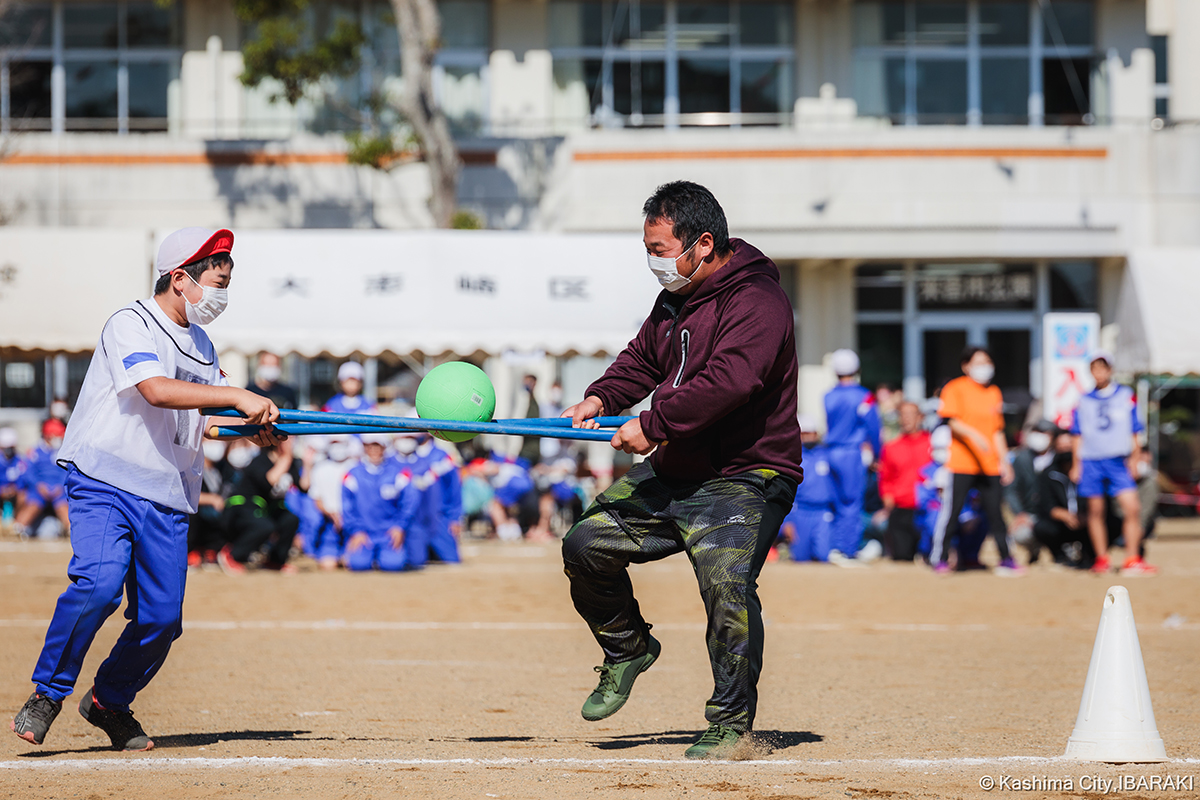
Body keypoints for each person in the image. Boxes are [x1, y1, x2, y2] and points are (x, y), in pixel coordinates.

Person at [10, 227, 280, 751]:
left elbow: (203, 422)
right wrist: (240, 394)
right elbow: (155, 391)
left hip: (167, 493)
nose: (221, 294)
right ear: (180, 279)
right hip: (105, 481)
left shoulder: (203, 345)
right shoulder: (130, 323)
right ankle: (48, 692)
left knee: (161, 619)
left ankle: (109, 701)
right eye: (216, 282)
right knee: (98, 585)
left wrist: (256, 430)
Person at [560, 181, 802, 759]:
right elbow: (643, 358)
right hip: (677, 471)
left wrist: (654, 423)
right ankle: (626, 648)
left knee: (726, 584)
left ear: (703, 243)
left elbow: (732, 380)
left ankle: (730, 723)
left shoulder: (758, 301)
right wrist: (599, 397)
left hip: (747, 474)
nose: (653, 261)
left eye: (661, 249)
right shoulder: (675, 298)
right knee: (585, 543)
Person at [930, 347, 1021, 575]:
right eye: (979, 362)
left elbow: (998, 431)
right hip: (962, 462)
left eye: (987, 361)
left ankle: (1006, 558)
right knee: (953, 511)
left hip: (989, 464)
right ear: (966, 366)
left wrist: (1005, 461)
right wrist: (974, 435)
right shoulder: (955, 388)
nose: (984, 367)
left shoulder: (993, 392)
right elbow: (950, 420)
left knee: (995, 514)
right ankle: (940, 558)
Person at [1070, 351, 1157, 576]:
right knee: (1095, 511)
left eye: (1103, 367)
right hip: (1091, 460)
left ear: (1110, 370)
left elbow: (1135, 430)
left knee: (1132, 508)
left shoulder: (1125, 395)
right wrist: (1076, 464)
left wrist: (1135, 458)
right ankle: (1102, 559)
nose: (1099, 373)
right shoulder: (1083, 400)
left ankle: (1132, 557)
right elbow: (1077, 434)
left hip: (1118, 460)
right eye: (1094, 368)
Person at [217, 435, 309, 574]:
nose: (292, 442)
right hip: (241, 505)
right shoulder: (261, 460)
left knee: (291, 519)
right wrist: (287, 456)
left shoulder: (289, 462)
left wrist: (308, 463)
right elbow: (269, 480)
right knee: (265, 526)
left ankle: (276, 560)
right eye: (289, 438)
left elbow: (304, 487)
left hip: (265, 508)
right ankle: (232, 555)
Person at [823, 349, 881, 559]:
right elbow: (873, 428)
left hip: (831, 451)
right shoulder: (864, 396)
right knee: (852, 502)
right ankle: (846, 549)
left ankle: (835, 546)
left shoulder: (828, 396)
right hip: (851, 453)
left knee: (838, 501)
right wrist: (877, 454)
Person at [342, 434, 416, 572]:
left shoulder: (398, 473)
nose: (374, 450)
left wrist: (399, 527)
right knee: (358, 565)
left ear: (384, 447)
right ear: (364, 447)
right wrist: (356, 531)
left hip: (388, 533)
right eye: (370, 446)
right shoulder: (353, 474)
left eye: (378, 446)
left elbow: (409, 502)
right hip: (364, 533)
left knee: (393, 565)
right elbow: (347, 506)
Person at [877, 402, 932, 562]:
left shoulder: (933, 444)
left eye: (911, 414)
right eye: (903, 414)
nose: (906, 419)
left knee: (929, 557)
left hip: (927, 508)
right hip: (901, 508)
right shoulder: (891, 447)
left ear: (920, 417)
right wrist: (887, 496)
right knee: (902, 557)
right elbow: (885, 477)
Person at [779, 415, 834, 562]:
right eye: (803, 434)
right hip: (800, 511)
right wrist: (788, 521)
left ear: (816, 434)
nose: (807, 437)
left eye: (810, 433)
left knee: (824, 555)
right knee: (800, 557)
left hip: (823, 511)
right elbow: (786, 492)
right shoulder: (793, 458)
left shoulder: (827, 455)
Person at [1034, 429, 1088, 567]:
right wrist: (1065, 515)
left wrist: (1086, 516)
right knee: (1041, 527)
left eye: (1069, 445)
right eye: (1061, 445)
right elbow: (1045, 505)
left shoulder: (1089, 471)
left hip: (1087, 521)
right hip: (1060, 524)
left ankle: (1090, 556)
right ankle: (1059, 554)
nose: (1065, 449)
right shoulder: (1049, 474)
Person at [1005, 420, 1057, 565]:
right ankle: (1034, 550)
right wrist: (1019, 513)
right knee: (1020, 534)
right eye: (1037, 432)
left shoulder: (1059, 458)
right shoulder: (1021, 458)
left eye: (1044, 433)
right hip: (1030, 514)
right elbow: (1011, 490)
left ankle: (1064, 552)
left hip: (1056, 514)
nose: (1039, 436)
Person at [13, 418, 71, 539]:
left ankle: (70, 530)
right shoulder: (35, 452)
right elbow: (28, 471)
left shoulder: (63, 452)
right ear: (48, 436)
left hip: (58, 490)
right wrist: (39, 485)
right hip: (39, 489)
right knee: (34, 503)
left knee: (62, 506)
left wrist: (60, 486)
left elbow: (66, 472)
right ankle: (18, 528)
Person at [305, 435, 356, 570]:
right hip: (329, 523)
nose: (337, 446)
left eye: (340, 442)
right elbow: (317, 499)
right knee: (328, 565)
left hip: (354, 524)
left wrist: (347, 517)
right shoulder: (320, 468)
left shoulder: (355, 467)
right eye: (333, 442)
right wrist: (332, 514)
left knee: (354, 564)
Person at [0, 427, 26, 526]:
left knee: (23, 496)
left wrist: (14, 489)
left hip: (15, 494)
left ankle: (16, 523)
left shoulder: (20, 461)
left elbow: (23, 480)